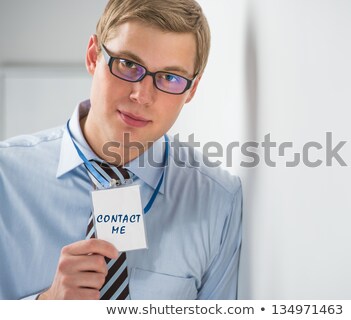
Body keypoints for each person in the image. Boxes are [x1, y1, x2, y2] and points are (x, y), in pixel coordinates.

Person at [0, 0, 242, 300]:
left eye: (170, 77)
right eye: (128, 64)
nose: (141, 95)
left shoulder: (218, 199)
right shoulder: (5, 178)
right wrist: (44, 306)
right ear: (93, 56)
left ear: (191, 90)